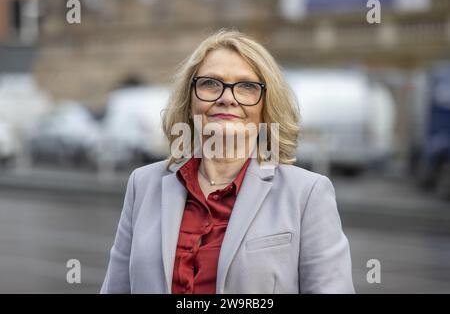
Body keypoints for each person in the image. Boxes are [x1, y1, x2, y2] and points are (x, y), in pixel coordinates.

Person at [100, 29, 355, 294]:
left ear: (266, 106)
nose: (227, 97)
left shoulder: (307, 194)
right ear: (189, 101)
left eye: (246, 87)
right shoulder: (143, 184)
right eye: (210, 83)